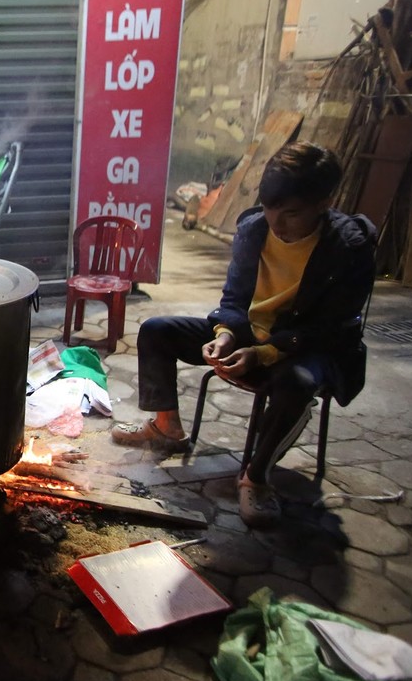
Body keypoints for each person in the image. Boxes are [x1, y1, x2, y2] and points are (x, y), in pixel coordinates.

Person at [109, 142, 376, 526]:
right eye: (269, 210)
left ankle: (256, 476)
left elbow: (329, 329)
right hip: (251, 335)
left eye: (291, 214)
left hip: (306, 346)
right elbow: (234, 298)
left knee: (297, 383)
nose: (277, 224)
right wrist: (226, 335)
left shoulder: (350, 248)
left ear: (323, 204)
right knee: (156, 330)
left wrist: (264, 354)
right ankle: (167, 427)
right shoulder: (254, 230)